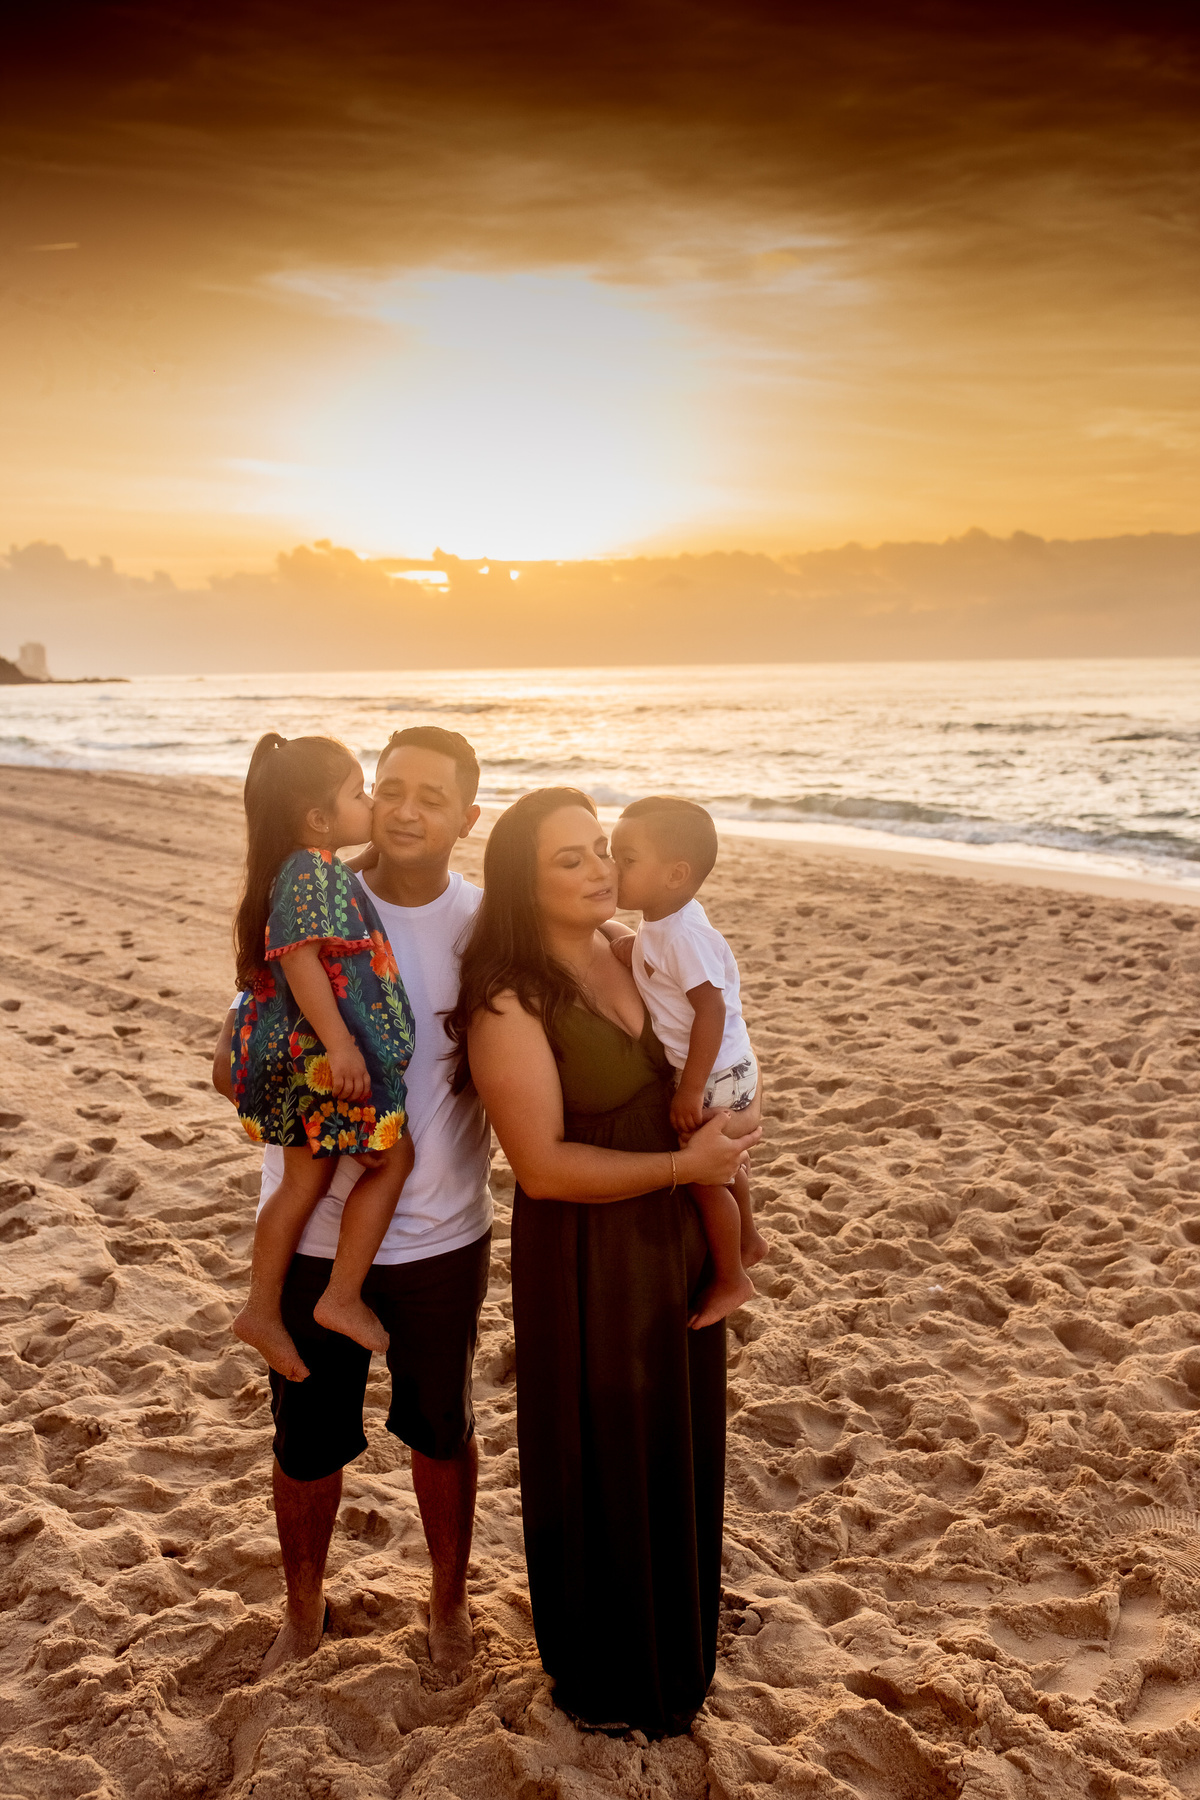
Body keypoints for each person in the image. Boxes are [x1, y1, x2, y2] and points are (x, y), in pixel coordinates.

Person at [447, 787, 759, 1734]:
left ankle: (680, 1637)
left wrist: (734, 1155)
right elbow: (540, 1167)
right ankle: (612, 1669)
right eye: (570, 859)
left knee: (677, 1433)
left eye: (600, 850)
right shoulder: (508, 995)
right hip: (590, 1253)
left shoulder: (638, 951)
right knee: (606, 1447)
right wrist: (684, 1164)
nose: (599, 871)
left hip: (670, 1240)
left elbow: (716, 1049)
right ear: (522, 883)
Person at [214, 725, 491, 1678]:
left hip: (445, 1236)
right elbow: (239, 1039)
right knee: (306, 1446)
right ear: (357, 796)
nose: (407, 809)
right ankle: (302, 1610)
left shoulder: (491, 924)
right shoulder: (321, 887)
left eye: (431, 795)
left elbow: (585, 961)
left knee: (443, 1431)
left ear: (468, 815)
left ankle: (447, 1607)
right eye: (391, 787)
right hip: (317, 1241)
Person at [230, 732, 416, 1384]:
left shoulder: (309, 866)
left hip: (310, 1067)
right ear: (317, 819)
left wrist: (363, 854)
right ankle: (324, 1298)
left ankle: (277, 1307)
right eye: (360, 793)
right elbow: (303, 956)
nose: (370, 801)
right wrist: (340, 1045)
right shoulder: (312, 872)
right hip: (320, 1064)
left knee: (321, 1174)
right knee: (388, 1159)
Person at [606, 795, 767, 1329]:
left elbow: (709, 1012)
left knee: (703, 1175)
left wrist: (688, 1090)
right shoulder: (662, 924)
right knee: (720, 1159)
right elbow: (646, 955)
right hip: (723, 1067)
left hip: (716, 1072)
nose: (612, 868)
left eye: (626, 859)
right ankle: (748, 1238)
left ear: (676, 874)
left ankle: (730, 1277)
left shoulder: (685, 936)